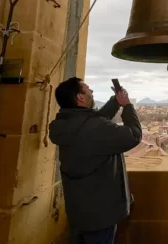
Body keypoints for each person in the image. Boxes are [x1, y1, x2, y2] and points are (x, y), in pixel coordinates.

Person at [49, 77, 142, 244]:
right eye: (88, 89)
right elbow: (133, 136)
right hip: (101, 214)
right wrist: (127, 106)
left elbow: (94, 120)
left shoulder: (65, 124)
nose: (92, 92)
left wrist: (115, 101)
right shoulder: (95, 128)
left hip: (79, 209)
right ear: (80, 97)